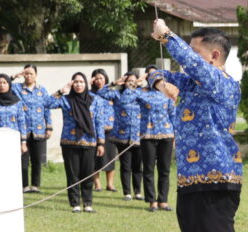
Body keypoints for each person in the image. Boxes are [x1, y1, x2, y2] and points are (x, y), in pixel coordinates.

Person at [151, 20, 244, 232]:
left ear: (214, 55)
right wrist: (155, 78)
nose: (188, 57)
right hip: (190, 182)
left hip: (217, 181)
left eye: (195, 51)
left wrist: (166, 35)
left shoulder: (222, 83)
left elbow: (188, 65)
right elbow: (157, 75)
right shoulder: (193, 83)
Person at [44, 72, 105, 213]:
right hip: (69, 142)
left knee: (88, 174)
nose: (78, 85)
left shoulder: (95, 100)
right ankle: (75, 203)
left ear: (86, 84)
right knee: (73, 175)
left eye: (81, 82)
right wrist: (61, 91)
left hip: (89, 142)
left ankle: (87, 203)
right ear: (72, 84)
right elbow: (46, 103)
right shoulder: (66, 100)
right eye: (76, 82)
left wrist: (101, 143)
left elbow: (99, 122)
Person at [97, 72, 144, 204]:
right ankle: (127, 192)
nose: (131, 83)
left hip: (138, 136)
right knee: (126, 166)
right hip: (122, 136)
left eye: (134, 81)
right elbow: (101, 93)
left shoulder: (141, 94)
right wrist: (113, 83)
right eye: (129, 80)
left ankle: (138, 192)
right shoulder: (117, 94)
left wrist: (142, 86)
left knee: (137, 166)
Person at [138, 66, 176, 211]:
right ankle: (152, 200)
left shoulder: (167, 93)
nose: (154, 77)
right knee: (148, 169)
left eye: (157, 75)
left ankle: (163, 200)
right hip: (148, 135)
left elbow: (173, 114)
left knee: (164, 169)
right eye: (151, 75)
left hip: (166, 135)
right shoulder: (142, 92)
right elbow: (126, 98)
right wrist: (138, 82)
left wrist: (176, 135)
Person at [11, 65, 52, 193]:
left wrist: (49, 127)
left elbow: (47, 108)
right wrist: (15, 76)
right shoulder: (16, 88)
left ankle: (35, 185)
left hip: (39, 130)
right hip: (23, 130)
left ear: (36, 75)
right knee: (23, 160)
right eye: (26, 73)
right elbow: (3, 84)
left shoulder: (42, 90)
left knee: (37, 160)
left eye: (31, 74)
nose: (28, 76)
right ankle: (24, 185)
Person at [0, 73, 29, 157]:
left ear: (9, 85)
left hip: (13, 138)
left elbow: (22, 122)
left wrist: (23, 143)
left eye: (4, 83)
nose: (2, 85)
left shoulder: (17, 102)